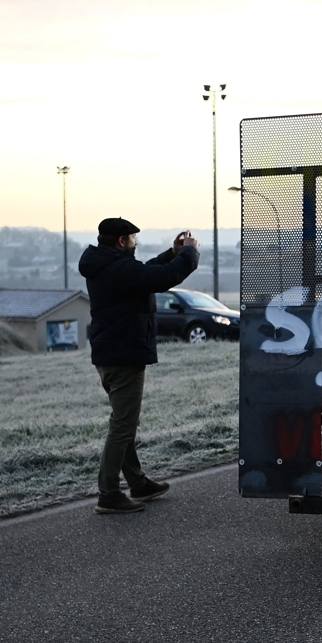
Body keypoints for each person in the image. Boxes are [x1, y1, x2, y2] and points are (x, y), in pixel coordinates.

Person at [78, 219, 200, 514]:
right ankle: (108, 493)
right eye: (133, 238)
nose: (136, 243)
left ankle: (138, 483)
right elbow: (162, 277)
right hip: (124, 357)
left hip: (110, 355)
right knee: (122, 426)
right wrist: (189, 253)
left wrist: (172, 253)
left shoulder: (106, 265)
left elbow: (144, 273)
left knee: (124, 422)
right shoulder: (119, 268)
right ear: (122, 240)